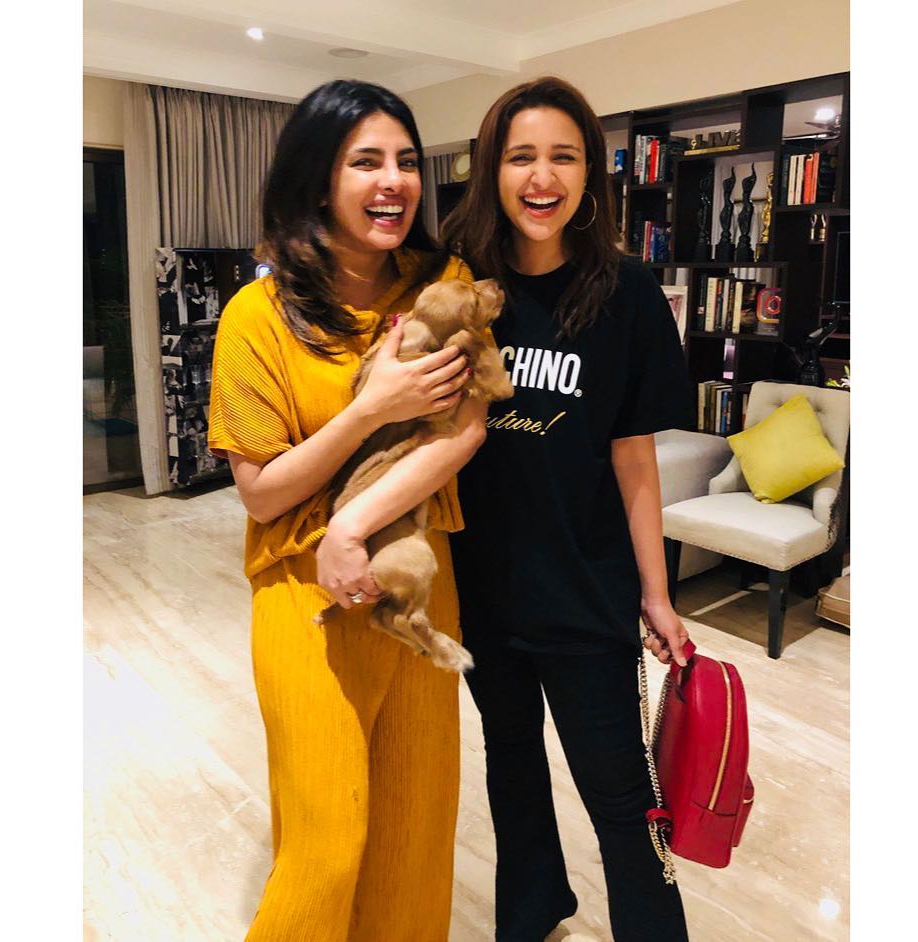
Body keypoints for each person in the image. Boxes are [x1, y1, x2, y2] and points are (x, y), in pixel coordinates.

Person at [207, 80, 487, 941]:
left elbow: (466, 429)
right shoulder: (257, 316)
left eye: (406, 161)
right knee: (326, 846)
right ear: (318, 179)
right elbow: (262, 489)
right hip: (303, 591)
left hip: (416, 582)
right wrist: (371, 410)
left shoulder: (442, 286)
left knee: (415, 834)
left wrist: (354, 526)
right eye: (366, 161)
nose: (393, 181)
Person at [443, 77, 694, 941]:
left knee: (622, 798)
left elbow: (634, 458)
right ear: (492, 170)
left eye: (563, 156)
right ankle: (533, 912)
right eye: (521, 157)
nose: (541, 177)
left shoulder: (628, 294)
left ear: (590, 173)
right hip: (482, 590)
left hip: (587, 594)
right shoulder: (459, 288)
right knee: (511, 769)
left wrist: (656, 595)